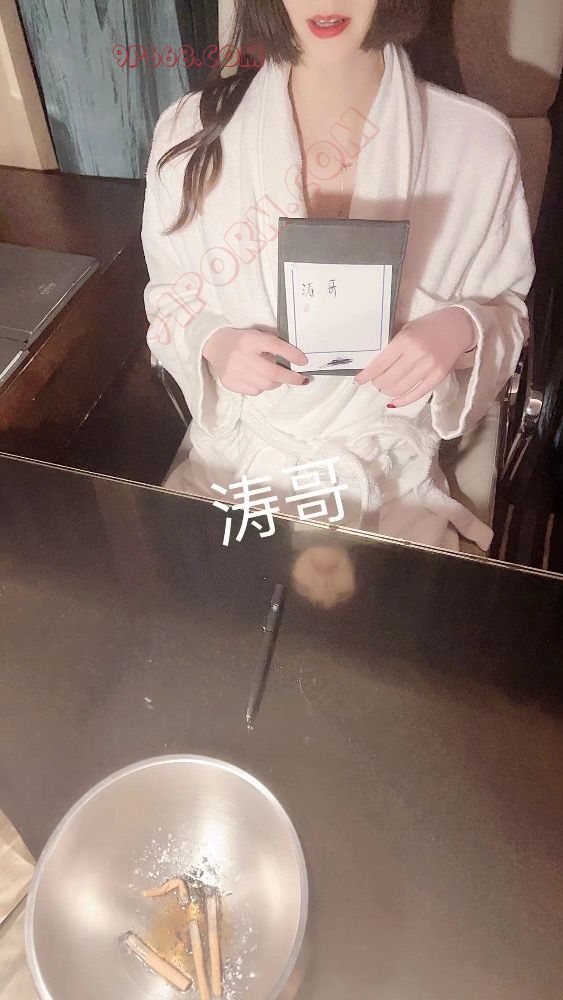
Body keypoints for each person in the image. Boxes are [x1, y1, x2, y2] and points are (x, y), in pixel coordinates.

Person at [141, 0, 535, 552]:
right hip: (238, 470)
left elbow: (509, 312)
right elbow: (167, 299)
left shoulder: (477, 145)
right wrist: (213, 341)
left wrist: (460, 329)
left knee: (391, 609)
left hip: (387, 483)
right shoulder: (190, 135)